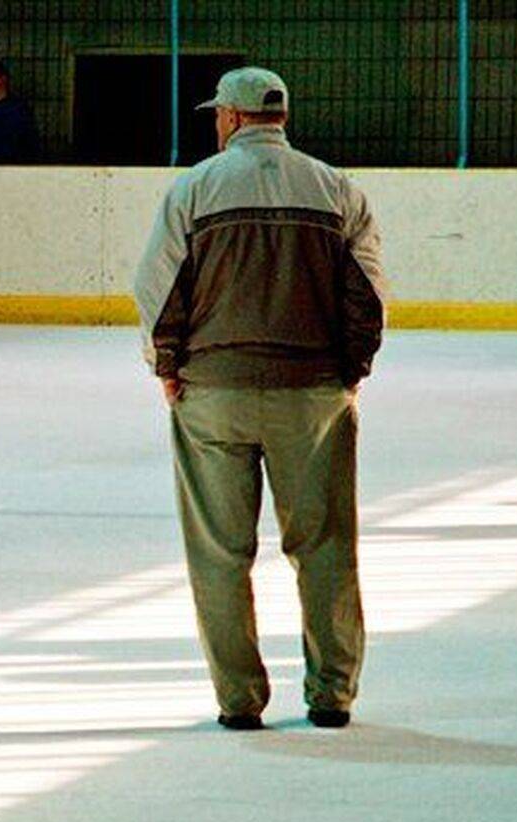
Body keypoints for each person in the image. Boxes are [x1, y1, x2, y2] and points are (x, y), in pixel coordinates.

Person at [132, 67, 386, 731]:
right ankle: (332, 694)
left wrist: (168, 366)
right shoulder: (336, 190)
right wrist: (350, 368)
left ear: (235, 118)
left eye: (218, 113)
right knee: (326, 545)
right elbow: (369, 295)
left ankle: (239, 700)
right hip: (313, 398)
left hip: (213, 394)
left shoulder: (192, 188)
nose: (216, 122)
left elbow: (156, 289)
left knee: (219, 552)